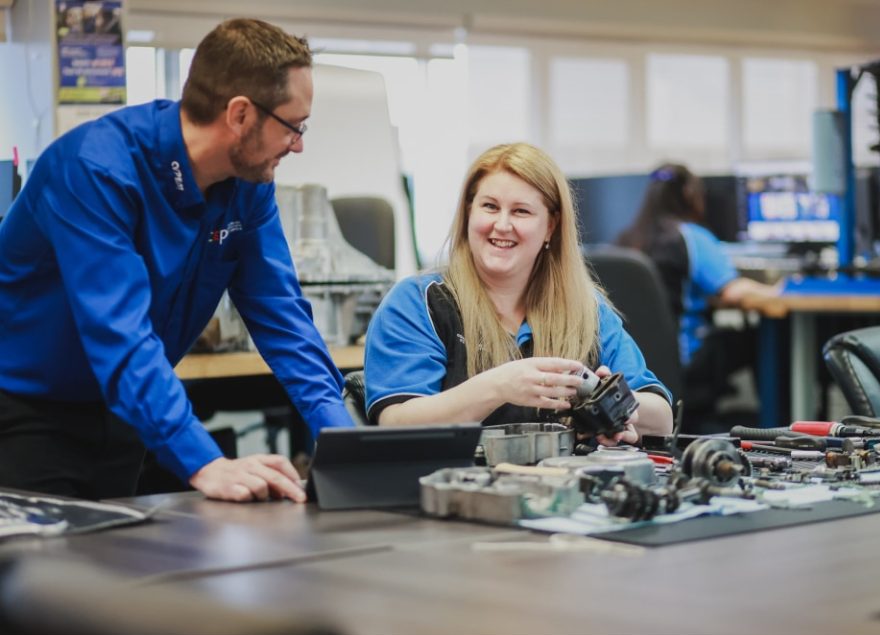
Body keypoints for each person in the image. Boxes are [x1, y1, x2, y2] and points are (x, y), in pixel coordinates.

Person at [0, 18, 354, 503]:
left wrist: (345, 443)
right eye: (293, 126)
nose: (299, 144)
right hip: (26, 413)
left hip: (126, 411)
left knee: (113, 568)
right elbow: (120, 335)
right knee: (34, 575)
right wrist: (205, 461)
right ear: (240, 115)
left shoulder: (248, 188)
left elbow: (283, 318)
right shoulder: (94, 170)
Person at [364, 143, 673, 444]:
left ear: (550, 226)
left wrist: (611, 405)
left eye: (521, 211)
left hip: (567, 489)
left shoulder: (586, 311)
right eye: (489, 206)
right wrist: (499, 386)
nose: (502, 224)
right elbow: (396, 423)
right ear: (468, 213)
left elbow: (662, 419)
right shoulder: (418, 303)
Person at [615, 163, 779, 428]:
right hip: (686, 360)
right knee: (760, 336)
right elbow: (733, 291)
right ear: (691, 196)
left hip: (633, 363)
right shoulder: (691, 236)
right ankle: (775, 422)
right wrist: (780, 291)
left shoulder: (624, 239)